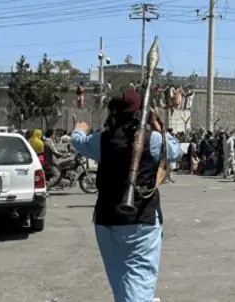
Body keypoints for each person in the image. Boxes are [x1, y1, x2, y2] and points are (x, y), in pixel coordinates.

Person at [71, 89, 180, 302]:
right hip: (141, 219)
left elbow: (78, 142)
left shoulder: (100, 140)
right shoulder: (154, 139)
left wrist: (78, 130)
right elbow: (175, 151)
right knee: (139, 280)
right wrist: (160, 128)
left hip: (107, 220)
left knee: (121, 279)